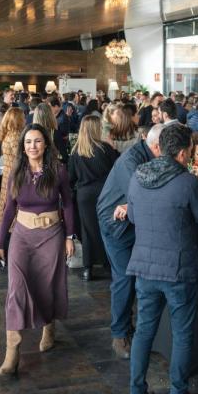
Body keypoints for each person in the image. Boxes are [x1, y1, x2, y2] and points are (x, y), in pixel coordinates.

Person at [125, 123, 198, 394]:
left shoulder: (138, 177)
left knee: (143, 332)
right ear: (183, 153)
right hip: (179, 268)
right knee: (182, 333)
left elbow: (133, 217)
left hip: (144, 267)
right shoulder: (187, 182)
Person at [0, 124, 76, 376]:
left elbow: (68, 204)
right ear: (22, 146)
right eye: (28, 142)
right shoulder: (17, 171)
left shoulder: (58, 170)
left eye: (37, 141)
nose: (32, 146)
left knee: (47, 286)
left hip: (51, 234)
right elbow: (9, 208)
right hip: (22, 236)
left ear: (46, 144)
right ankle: (12, 349)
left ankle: (48, 326)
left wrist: (69, 236)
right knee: (16, 289)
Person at [97, 123, 164, 359]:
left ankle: (146, 330)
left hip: (132, 222)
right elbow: (142, 195)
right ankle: (120, 334)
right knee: (125, 278)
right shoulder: (131, 160)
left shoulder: (150, 155)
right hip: (116, 225)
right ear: (157, 146)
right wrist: (131, 204)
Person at [67, 115, 120, 281]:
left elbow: (70, 178)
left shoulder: (76, 151)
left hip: (84, 195)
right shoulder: (105, 149)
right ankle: (108, 264)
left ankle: (88, 269)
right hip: (104, 194)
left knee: (87, 231)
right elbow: (116, 170)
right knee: (106, 228)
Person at [0, 107, 27, 227]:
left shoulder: (8, 133)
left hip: (8, 171)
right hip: (15, 172)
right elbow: (19, 156)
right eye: (23, 117)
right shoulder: (15, 135)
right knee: (13, 201)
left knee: (7, 200)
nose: (25, 119)